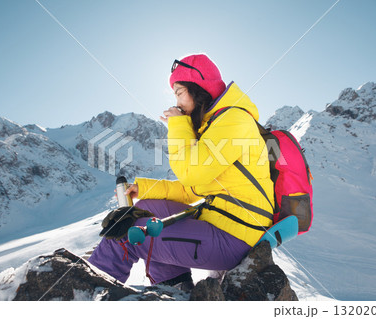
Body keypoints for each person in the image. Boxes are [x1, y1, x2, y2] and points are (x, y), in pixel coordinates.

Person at [88, 53, 274, 289]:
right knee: (145, 209)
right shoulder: (215, 123)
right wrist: (143, 188)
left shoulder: (234, 120)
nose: (176, 102)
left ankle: (88, 292)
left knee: (125, 234)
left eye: (179, 92)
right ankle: (176, 291)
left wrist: (178, 125)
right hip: (224, 223)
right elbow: (192, 189)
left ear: (198, 89)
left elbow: (190, 173)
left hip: (236, 235)